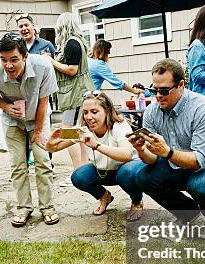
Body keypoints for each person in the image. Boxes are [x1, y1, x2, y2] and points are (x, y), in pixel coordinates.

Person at [127, 59, 205, 227]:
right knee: (144, 178)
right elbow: (152, 159)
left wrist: (167, 153)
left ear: (181, 85)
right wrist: (142, 150)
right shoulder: (151, 111)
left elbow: (199, 161)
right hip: (177, 159)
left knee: (199, 185)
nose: (157, 96)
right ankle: (189, 213)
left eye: (164, 90)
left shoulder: (204, 109)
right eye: (153, 89)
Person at [0, 33, 59, 227]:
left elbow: (44, 101)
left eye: (14, 59)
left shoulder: (43, 66)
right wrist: (7, 107)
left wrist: (39, 131)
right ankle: (24, 207)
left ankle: (47, 207)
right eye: (3, 60)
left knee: (42, 161)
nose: (8, 65)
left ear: (25, 56)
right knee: (18, 165)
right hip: (12, 122)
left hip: (38, 118)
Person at [46, 91, 144, 220]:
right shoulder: (82, 130)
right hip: (102, 171)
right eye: (85, 112)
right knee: (79, 176)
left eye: (94, 111)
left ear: (107, 111)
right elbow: (55, 147)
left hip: (124, 170)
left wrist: (96, 145)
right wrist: (50, 142)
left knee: (127, 172)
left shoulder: (119, 125)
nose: (89, 117)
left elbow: (127, 155)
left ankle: (137, 201)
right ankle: (104, 196)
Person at [47, 12, 94, 185]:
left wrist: (51, 61)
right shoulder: (78, 42)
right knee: (79, 131)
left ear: (62, 26)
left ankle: (77, 171)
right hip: (78, 91)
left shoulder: (71, 43)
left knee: (69, 131)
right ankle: (84, 168)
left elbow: (72, 70)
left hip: (75, 93)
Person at [16, 13, 56, 169]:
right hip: (22, 94)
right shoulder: (16, 46)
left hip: (43, 93)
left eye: (26, 25)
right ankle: (24, 164)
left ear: (33, 26)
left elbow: (54, 67)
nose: (24, 29)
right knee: (24, 130)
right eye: (21, 26)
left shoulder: (46, 45)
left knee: (43, 128)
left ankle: (48, 162)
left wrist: (49, 60)